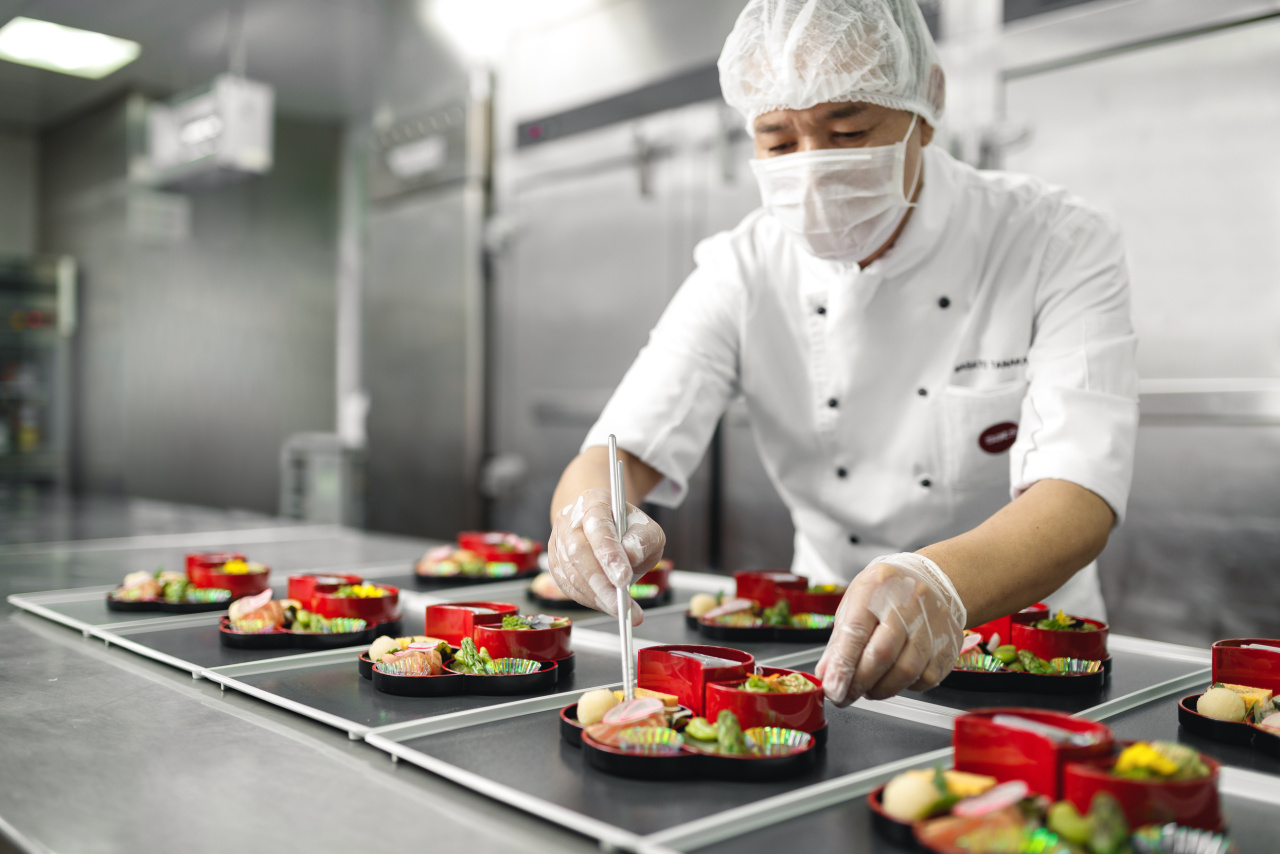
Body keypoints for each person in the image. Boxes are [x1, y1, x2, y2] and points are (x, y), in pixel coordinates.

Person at [545, 0, 1138, 708]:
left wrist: (939, 585)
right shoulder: (744, 267)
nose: (813, 170)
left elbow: (1078, 494)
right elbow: (618, 450)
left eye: (847, 131)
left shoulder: (1054, 240)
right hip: (826, 648)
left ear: (927, 108)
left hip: (1029, 642)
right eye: (777, 140)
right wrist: (587, 522)